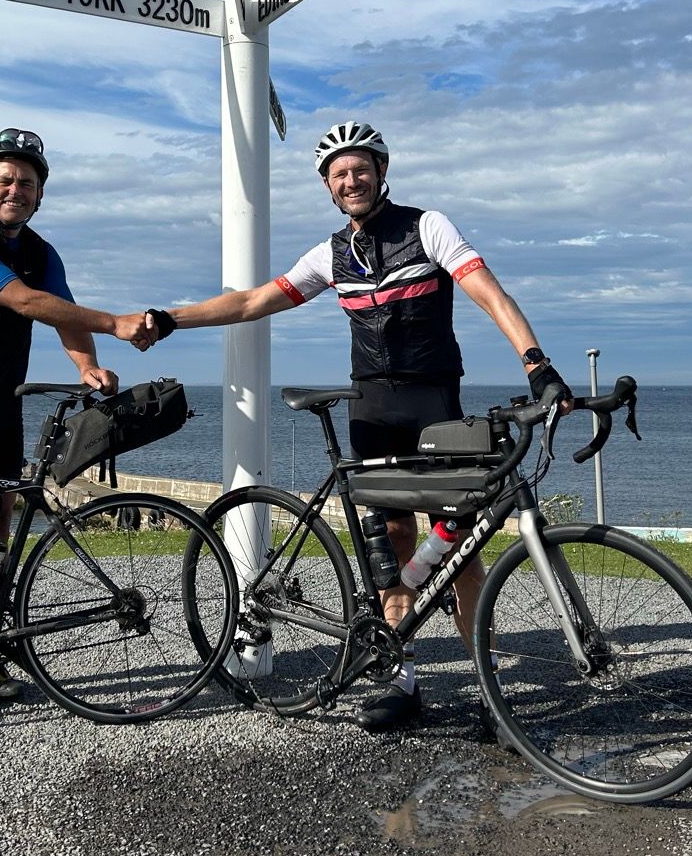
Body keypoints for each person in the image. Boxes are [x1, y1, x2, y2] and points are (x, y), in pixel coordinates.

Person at [138, 121, 570, 733]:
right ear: (326, 185)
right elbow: (252, 302)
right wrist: (173, 318)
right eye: (338, 172)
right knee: (390, 546)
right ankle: (401, 679)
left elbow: (488, 293)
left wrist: (537, 364)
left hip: (434, 405)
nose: (350, 178)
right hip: (370, 409)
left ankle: (488, 691)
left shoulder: (428, 227)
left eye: (360, 167)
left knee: (462, 546)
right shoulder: (329, 254)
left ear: (381, 171)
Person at [0, 127, 154, 720]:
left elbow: (61, 311)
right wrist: (115, 323)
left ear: (40, 193)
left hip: (3, 394)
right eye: (5, 179)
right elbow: (23, 301)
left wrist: (89, 364)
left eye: (27, 181)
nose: (15, 189)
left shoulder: (43, 251)